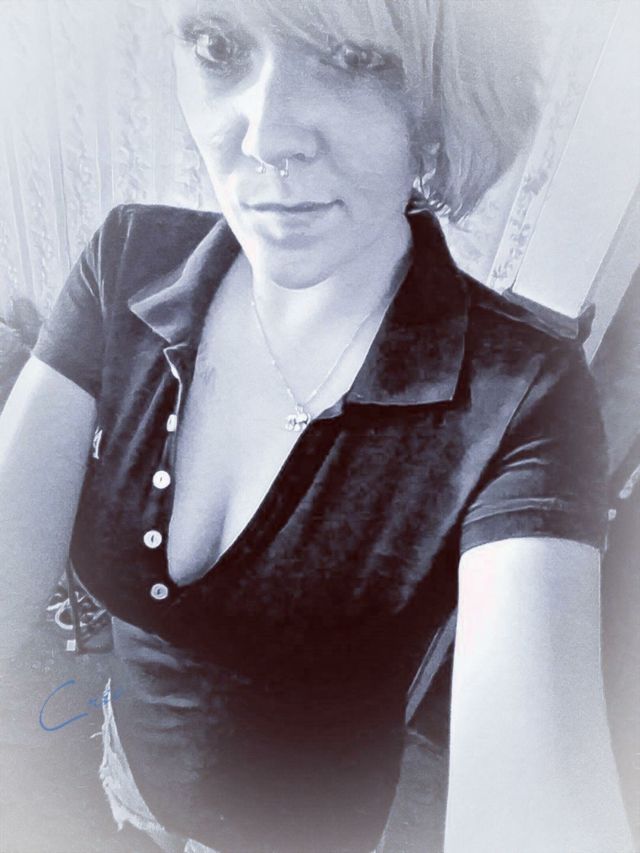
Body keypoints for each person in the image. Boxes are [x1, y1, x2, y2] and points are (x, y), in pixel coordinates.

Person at [0, 1, 634, 851]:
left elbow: (537, 808)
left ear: (444, 97)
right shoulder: (127, 263)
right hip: (123, 778)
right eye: (219, 46)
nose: (264, 138)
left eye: (353, 60)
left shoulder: (521, 397)